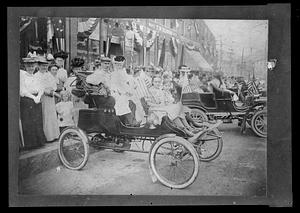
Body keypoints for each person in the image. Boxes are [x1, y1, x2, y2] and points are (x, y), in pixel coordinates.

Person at [19, 56, 46, 150]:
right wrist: (33, 97)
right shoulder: (22, 76)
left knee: (37, 120)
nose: (31, 68)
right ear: (25, 66)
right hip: (27, 100)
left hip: (37, 100)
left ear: (35, 66)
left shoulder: (36, 76)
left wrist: (38, 96)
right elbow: (22, 90)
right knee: (29, 122)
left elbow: (42, 87)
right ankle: (31, 144)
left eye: (32, 66)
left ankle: (39, 142)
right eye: (28, 66)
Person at [34, 55, 60, 143]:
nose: (44, 67)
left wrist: (52, 90)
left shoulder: (48, 74)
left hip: (50, 98)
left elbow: (54, 85)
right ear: (38, 66)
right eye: (42, 65)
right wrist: (46, 90)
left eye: (45, 65)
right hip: (43, 97)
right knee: (45, 115)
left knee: (52, 115)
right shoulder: (36, 75)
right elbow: (39, 87)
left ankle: (54, 135)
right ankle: (47, 137)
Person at [110, 55, 140, 126]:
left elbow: (125, 83)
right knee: (123, 103)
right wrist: (125, 92)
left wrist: (129, 90)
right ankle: (132, 122)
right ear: (115, 64)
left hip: (123, 93)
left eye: (120, 64)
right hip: (116, 93)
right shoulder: (114, 74)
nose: (119, 66)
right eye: (117, 64)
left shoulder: (122, 72)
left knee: (133, 104)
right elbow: (115, 86)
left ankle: (128, 122)